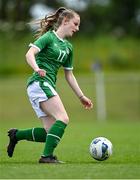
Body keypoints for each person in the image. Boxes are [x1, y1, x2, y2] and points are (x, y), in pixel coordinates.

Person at [7, 7, 93, 163]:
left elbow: (69, 75)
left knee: (49, 132)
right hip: (39, 83)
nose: (77, 28)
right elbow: (29, 54)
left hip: (45, 85)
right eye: (75, 24)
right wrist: (37, 68)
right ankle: (46, 157)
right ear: (65, 21)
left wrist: (81, 96)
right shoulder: (48, 37)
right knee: (63, 118)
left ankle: (16, 135)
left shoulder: (68, 48)